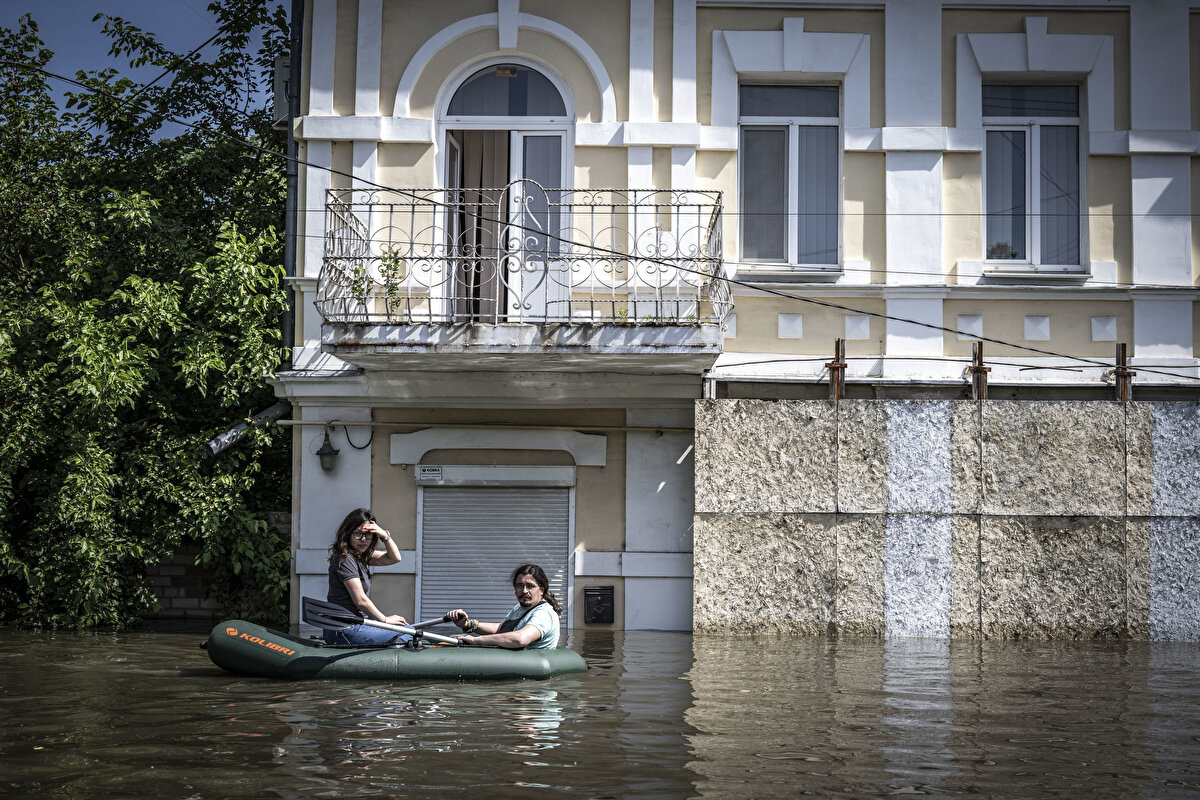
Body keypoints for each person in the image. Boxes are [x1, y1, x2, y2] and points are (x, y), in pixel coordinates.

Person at [325, 508, 410, 646]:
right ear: (347, 534)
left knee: (408, 629)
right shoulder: (345, 559)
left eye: (368, 534)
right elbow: (361, 601)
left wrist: (385, 536)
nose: (363, 539)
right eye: (358, 534)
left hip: (358, 626)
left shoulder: (362, 557)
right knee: (408, 632)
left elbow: (395, 558)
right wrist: (385, 620)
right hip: (344, 630)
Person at [447, 563, 562, 650]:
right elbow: (500, 629)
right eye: (519, 586)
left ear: (541, 590)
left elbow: (520, 639)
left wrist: (475, 640)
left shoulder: (543, 614)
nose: (524, 591)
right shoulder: (520, 608)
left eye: (530, 586)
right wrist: (468, 624)